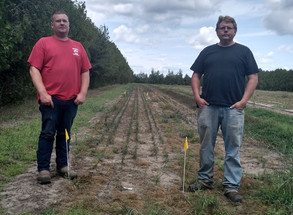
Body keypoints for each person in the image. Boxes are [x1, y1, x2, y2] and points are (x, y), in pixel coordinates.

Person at [189, 15, 258, 202]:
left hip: (233, 109)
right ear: (217, 31)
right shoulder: (207, 52)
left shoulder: (244, 52)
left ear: (235, 31)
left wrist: (244, 101)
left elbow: (253, 77)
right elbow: (196, 75)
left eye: (229, 27)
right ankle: (205, 180)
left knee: (232, 149)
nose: (225, 30)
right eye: (222, 28)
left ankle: (231, 187)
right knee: (205, 146)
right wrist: (197, 97)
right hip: (208, 107)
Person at [28, 10, 91, 184]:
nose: (62, 23)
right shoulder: (43, 43)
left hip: (71, 100)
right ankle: (43, 169)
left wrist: (83, 93)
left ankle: (63, 166)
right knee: (47, 133)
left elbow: (85, 71)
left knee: (65, 134)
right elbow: (34, 69)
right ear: (52, 25)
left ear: (69, 24)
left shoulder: (78, 47)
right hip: (51, 100)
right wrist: (43, 93)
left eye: (65, 20)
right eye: (58, 21)